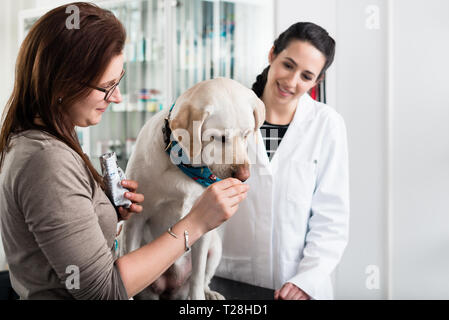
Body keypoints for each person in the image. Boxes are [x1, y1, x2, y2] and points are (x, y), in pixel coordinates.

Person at [0, 2, 248, 300]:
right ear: (63, 83)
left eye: (119, 81)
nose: (116, 97)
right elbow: (104, 291)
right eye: (107, 86)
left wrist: (95, 205)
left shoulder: (38, 141)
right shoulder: (47, 161)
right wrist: (195, 224)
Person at [215, 22, 350, 300]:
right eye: (288, 65)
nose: (291, 81)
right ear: (272, 54)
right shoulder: (229, 116)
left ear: (317, 81)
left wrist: (308, 280)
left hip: (298, 286)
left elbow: (331, 217)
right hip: (230, 280)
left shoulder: (327, 125)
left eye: (306, 75)